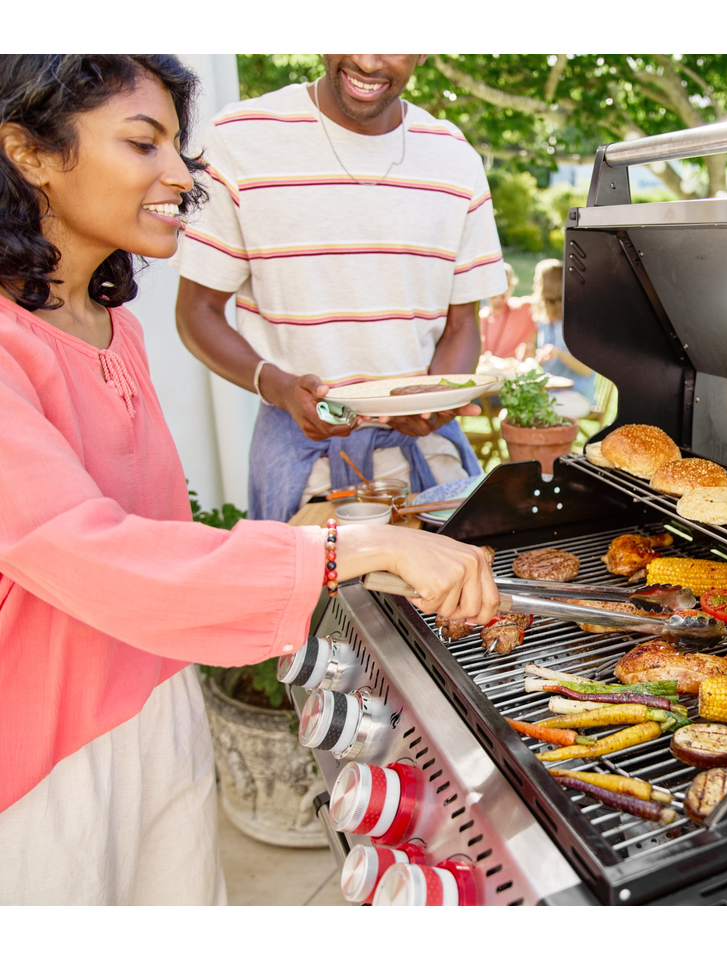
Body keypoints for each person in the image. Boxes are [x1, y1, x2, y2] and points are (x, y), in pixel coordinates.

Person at [0, 54, 498, 905]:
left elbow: (158, 539)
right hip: (45, 751)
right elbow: (88, 554)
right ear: (29, 151)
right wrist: (349, 545)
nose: (185, 177)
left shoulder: (108, 325)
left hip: (159, 701)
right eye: (143, 144)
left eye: (176, 147)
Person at [175, 55, 509, 522]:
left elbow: (461, 326)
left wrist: (436, 406)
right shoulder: (240, 138)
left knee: (450, 591)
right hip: (304, 457)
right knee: (321, 595)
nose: (368, 61)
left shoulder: (455, 159)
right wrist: (280, 387)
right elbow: (197, 313)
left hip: (426, 455)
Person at [531, 258, 595, 420]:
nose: (534, 287)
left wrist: (560, 354)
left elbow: (587, 370)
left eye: (537, 282)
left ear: (550, 286)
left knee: (532, 410)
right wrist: (533, 355)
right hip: (550, 393)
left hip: (577, 396)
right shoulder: (544, 322)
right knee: (515, 409)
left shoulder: (575, 322)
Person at [480, 262, 536, 359]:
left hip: (517, 370)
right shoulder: (480, 318)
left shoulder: (524, 308)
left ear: (511, 286)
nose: (499, 291)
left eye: (504, 284)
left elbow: (548, 299)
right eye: (494, 285)